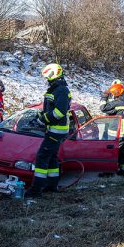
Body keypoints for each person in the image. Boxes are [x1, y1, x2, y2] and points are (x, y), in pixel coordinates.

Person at [25, 63, 72, 197]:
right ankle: (52, 186)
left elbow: (59, 112)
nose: (47, 79)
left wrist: (43, 119)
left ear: (53, 74)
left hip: (56, 130)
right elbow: (51, 108)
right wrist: (42, 115)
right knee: (52, 158)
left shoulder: (61, 90)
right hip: (54, 129)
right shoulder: (56, 88)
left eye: (48, 76)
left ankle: (36, 189)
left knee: (42, 157)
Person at [100, 83, 124, 177]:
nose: (112, 95)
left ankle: (108, 172)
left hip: (117, 132)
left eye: (113, 93)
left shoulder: (117, 102)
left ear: (116, 92)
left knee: (111, 152)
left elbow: (103, 108)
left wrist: (104, 97)